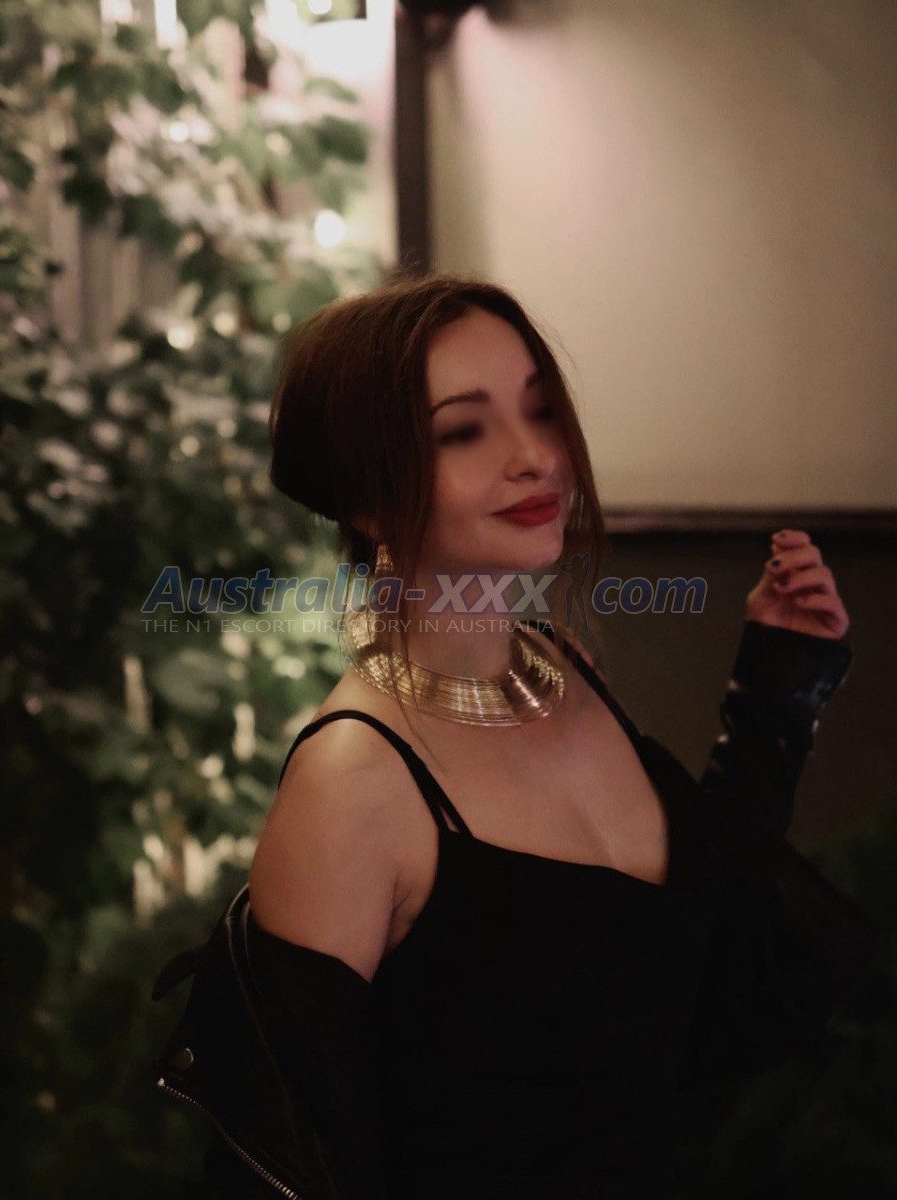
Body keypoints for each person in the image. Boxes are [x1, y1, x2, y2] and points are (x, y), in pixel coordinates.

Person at [152, 272, 878, 1200]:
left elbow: (704, 940)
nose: (536, 456)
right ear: (366, 498)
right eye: (464, 430)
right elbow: (286, 1172)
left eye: (538, 409)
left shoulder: (563, 666)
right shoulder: (354, 782)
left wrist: (778, 685)